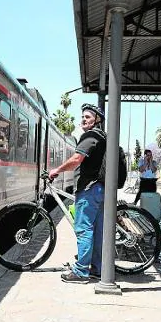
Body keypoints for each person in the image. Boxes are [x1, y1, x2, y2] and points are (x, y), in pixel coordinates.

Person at [49, 103, 106, 284]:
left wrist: (56, 170)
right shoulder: (103, 136)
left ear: (97, 120)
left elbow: (76, 159)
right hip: (100, 189)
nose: (83, 120)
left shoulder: (90, 136)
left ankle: (81, 272)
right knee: (96, 231)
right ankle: (97, 269)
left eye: (88, 117)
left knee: (84, 230)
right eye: (83, 117)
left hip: (89, 189)